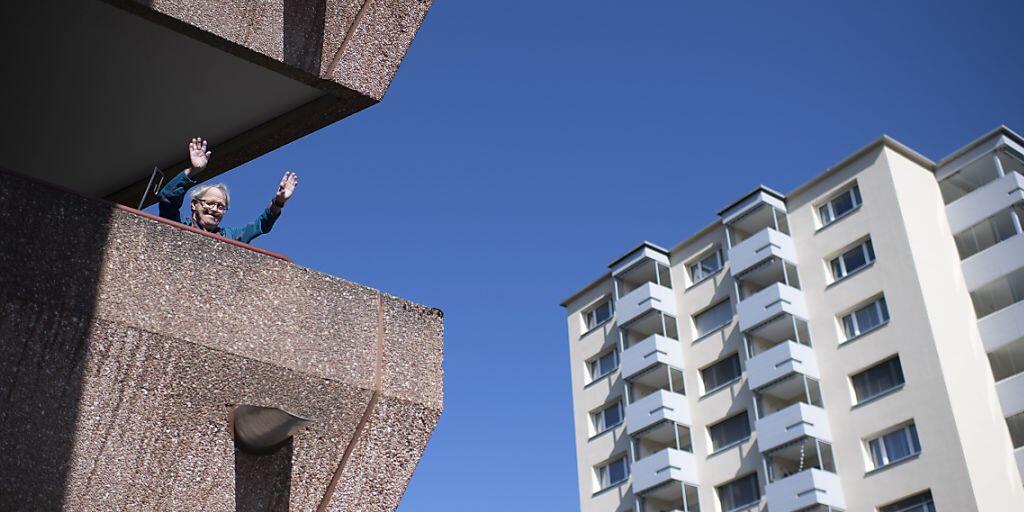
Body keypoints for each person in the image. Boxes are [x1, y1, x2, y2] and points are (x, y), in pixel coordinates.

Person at [158, 137, 298, 243]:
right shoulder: (179, 223)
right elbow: (167, 199)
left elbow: (260, 225)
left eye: (221, 207)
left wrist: (278, 202)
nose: (214, 209)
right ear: (194, 204)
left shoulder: (228, 236)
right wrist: (192, 171)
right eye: (210, 203)